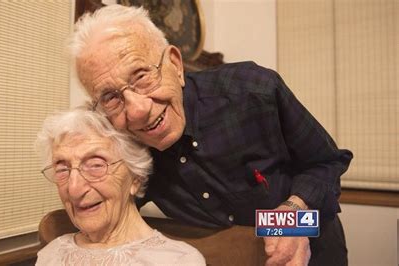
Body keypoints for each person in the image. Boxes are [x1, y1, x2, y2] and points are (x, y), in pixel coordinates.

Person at [68, 5, 353, 266]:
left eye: (142, 76)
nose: (138, 110)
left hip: (313, 251)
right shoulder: (123, 141)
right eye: (110, 97)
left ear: (175, 66)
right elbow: (109, 208)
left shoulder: (253, 90)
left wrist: (290, 220)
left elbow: (327, 163)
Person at [34, 107, 205, 265]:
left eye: (96, 165)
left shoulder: (179, 261)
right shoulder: (51, 255)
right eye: (62, 169)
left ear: (135, 177)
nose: (74, 189)